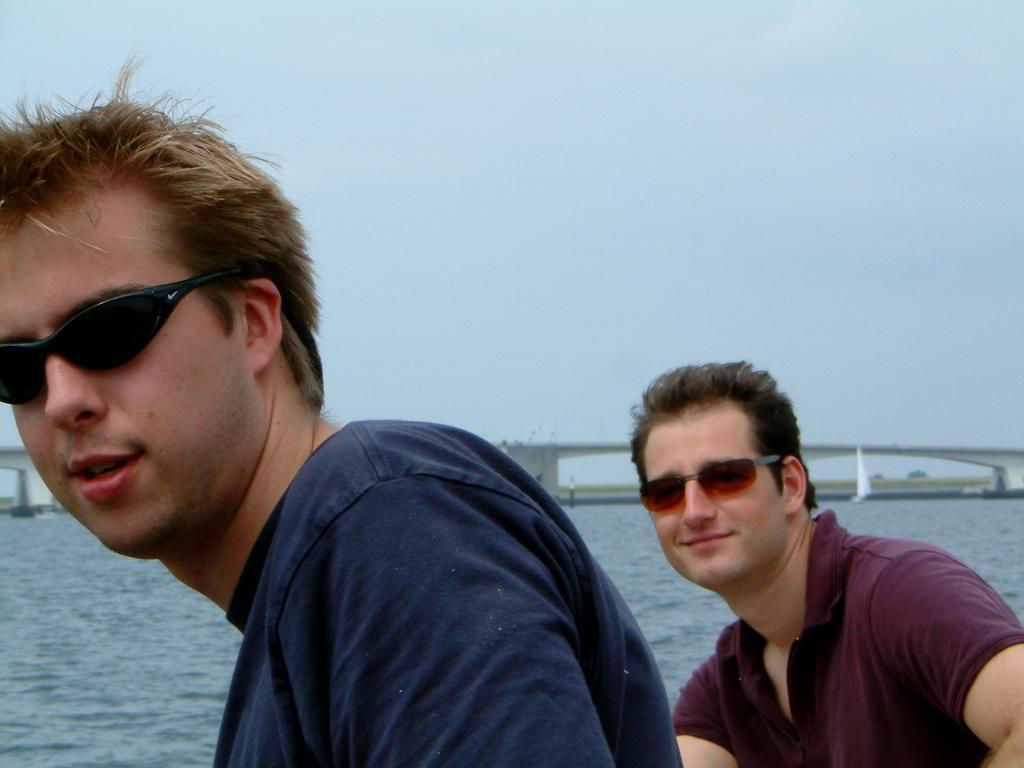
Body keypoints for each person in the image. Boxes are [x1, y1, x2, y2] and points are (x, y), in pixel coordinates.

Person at [0, 69, 681, 767]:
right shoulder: (322, 579)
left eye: (109, 330)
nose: (59, 399)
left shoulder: (392, 525)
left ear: (255, 323)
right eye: (15, 369)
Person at [629, 361, 1024, 767]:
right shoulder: (725, 684)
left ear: (792, 486)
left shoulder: (903, 592)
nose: (694, 511)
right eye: (666, 492)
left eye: (726, 477)